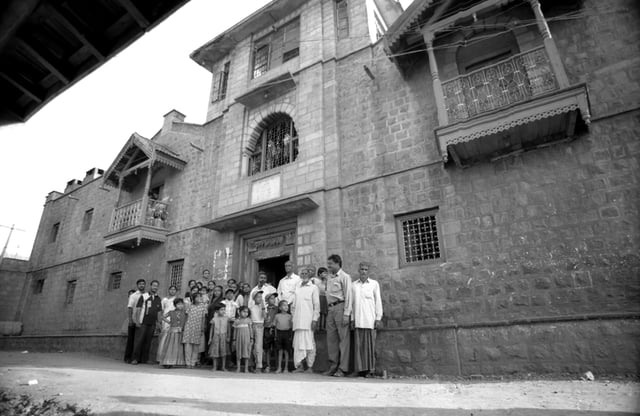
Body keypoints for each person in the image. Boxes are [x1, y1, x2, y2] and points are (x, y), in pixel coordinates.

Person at [351, 262, 383, 377]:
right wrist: (352, 318)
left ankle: (370, 370)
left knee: (369, 347)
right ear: (358, 271)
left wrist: (378, 318)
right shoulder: (353, 285)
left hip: (370, 320)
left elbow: (378, 301)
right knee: (359, 347)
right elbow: (352, 303)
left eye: (365, 269)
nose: (363, 271)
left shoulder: (374, 284)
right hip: (358, 320)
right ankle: (359, 370)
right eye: (361, 269)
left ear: (368, 271)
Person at [324, 254, 353, 377]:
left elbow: (349, 296)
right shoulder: (329, 278)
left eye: (330, 263)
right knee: (331, 340)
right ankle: (333, 366)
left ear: (337, 263)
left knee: (343, 339)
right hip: (330, 310)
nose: (328, 266)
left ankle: (343, 368)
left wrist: (347, 314)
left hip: (341, 308)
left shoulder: (345, 277)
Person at [291, 267, 320, 373]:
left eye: (305, 273)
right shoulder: (297, 287)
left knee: (310, 344)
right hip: (298, 321)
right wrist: (294, 318)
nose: (303, 275)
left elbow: (316, 306)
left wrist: (315, 320)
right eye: (301, 273)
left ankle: (310, 367)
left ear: (309, 275)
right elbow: (293, 306)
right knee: (298, 345)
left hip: (308, 322)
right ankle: (299, 366)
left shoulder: (313, 288)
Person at [132, 280, 162, 365]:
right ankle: (135, 358)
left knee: (148, 341)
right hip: (143, 322)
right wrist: (137, 321)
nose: (155, 287)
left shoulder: (158, 298)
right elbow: (138, 309)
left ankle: (145, 359)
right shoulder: (144, 296)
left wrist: (159, 323)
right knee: (139, 340)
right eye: (154, 285)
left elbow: (159, 312)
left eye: (157, 286)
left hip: (152, 323)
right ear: (150, 286)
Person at [183, 292, 207, 369]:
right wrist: (184, 326)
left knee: (196, 346)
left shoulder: (203, 307)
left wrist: (202, 327)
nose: (199, 298)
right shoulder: (190, 306)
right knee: (188, 345)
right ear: (193, 298)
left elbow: (204, 318)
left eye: (200, 297)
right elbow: (186, 316)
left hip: (198, 327)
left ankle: (193, 362)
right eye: (197, 297)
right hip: (189, 327)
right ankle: (187, 363)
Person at [160, 298, 186, 368]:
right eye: (178, 304)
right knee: (170, 347)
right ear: (175, 305)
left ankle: (175, 362)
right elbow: (162, 317)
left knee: (178, 347)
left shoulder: (185, 312)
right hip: (172, 332)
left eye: (181, 304)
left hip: (180, 332)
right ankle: (167, 361)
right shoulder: (171, 312)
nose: (180, 306)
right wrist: (169, 322)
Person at [124, 279, 145, 363]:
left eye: (143, 284)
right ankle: (128, 357)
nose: (142, 285)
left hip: (141, 320)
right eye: (140, 284)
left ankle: (136, 358)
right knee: (131, 339)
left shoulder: (146, 295)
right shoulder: (133, 295)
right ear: (137, 285)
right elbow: (130, 307)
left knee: (138, 340)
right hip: (133, 319)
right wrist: (130, 320)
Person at [156, 285, 177, 363]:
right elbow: (161, 311)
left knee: (172, 339)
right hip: (165, 321)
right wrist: (159, 321)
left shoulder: (177, 300)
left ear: (176, 291)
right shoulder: (164, 300)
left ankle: (170, 358)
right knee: (163, 338)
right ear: (168, 290)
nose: (172, 291)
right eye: (171, 289)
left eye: (174, 289)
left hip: (174, 321)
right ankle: (161, 357)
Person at [209, 304, 230, 371]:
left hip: (224, 336)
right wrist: (210, 338)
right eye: (221, 309)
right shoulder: (214, 319)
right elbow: (211, 329)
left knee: (223, 352)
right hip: (216, 336)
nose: (223, 311)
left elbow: (229, 329)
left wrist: (228, 337)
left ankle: (223, 367)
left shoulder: (226, 319)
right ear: (217, 311)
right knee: (215, 352)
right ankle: (214, 366)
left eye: (224, 309)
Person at [248, 291, 265, 372]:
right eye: (258, 297)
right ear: (254, 298)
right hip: (252, 325)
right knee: (251, 345)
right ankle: (250, 364)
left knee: (258, 346)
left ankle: (259, 365)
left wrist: (263, 306)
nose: (260, 298)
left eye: (261, 297)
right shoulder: (251, 307)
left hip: (259, 326)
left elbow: (264, 316)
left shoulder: (262, 307)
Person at [274, 300, 293, 373]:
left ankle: (286, 368)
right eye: (284, 305)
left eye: (287, 305)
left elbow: (291, 327)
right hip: (279, 333)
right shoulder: (277, 316)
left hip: (287, 334)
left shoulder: (290, 316)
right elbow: (275, 326)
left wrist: (290, 336)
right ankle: (279, 367)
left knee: (286, 351)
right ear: (280, 307)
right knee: (280, 351)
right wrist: (275, 336)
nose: (286, 307)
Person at [233, 306, 253, 373]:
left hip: (247, 339)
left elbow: (250, 329)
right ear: (239, 312)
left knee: (246, 353)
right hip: (239, 339)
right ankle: (238, 368)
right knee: (238, 352)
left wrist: (251, 338)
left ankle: (246, 368)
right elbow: (235, 331)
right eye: (244, 311)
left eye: (247, 312)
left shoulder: (248, 320)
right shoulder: (237, 321)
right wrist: (234, 339)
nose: (245, 313)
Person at [263, 293, 278, 372]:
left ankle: (277, 366)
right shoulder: (265, 308)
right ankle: (268, 365)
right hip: (266, 329)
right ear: (267, 300)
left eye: (274, 298)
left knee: (276, 348)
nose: (273, 300)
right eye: (271, 298)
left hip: (275, 329)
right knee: (267, 349)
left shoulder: (277, 308)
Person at [313, 267, 329, 331]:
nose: (325, 274)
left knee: (325, 312)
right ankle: (318, 326)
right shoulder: (315, 280)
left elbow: (327, 290)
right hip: (319, 297)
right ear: (319, 274)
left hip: (325, 298)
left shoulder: (327, 281)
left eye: (326, 273)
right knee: (319, 312)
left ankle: (324, 326)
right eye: (324, 273)